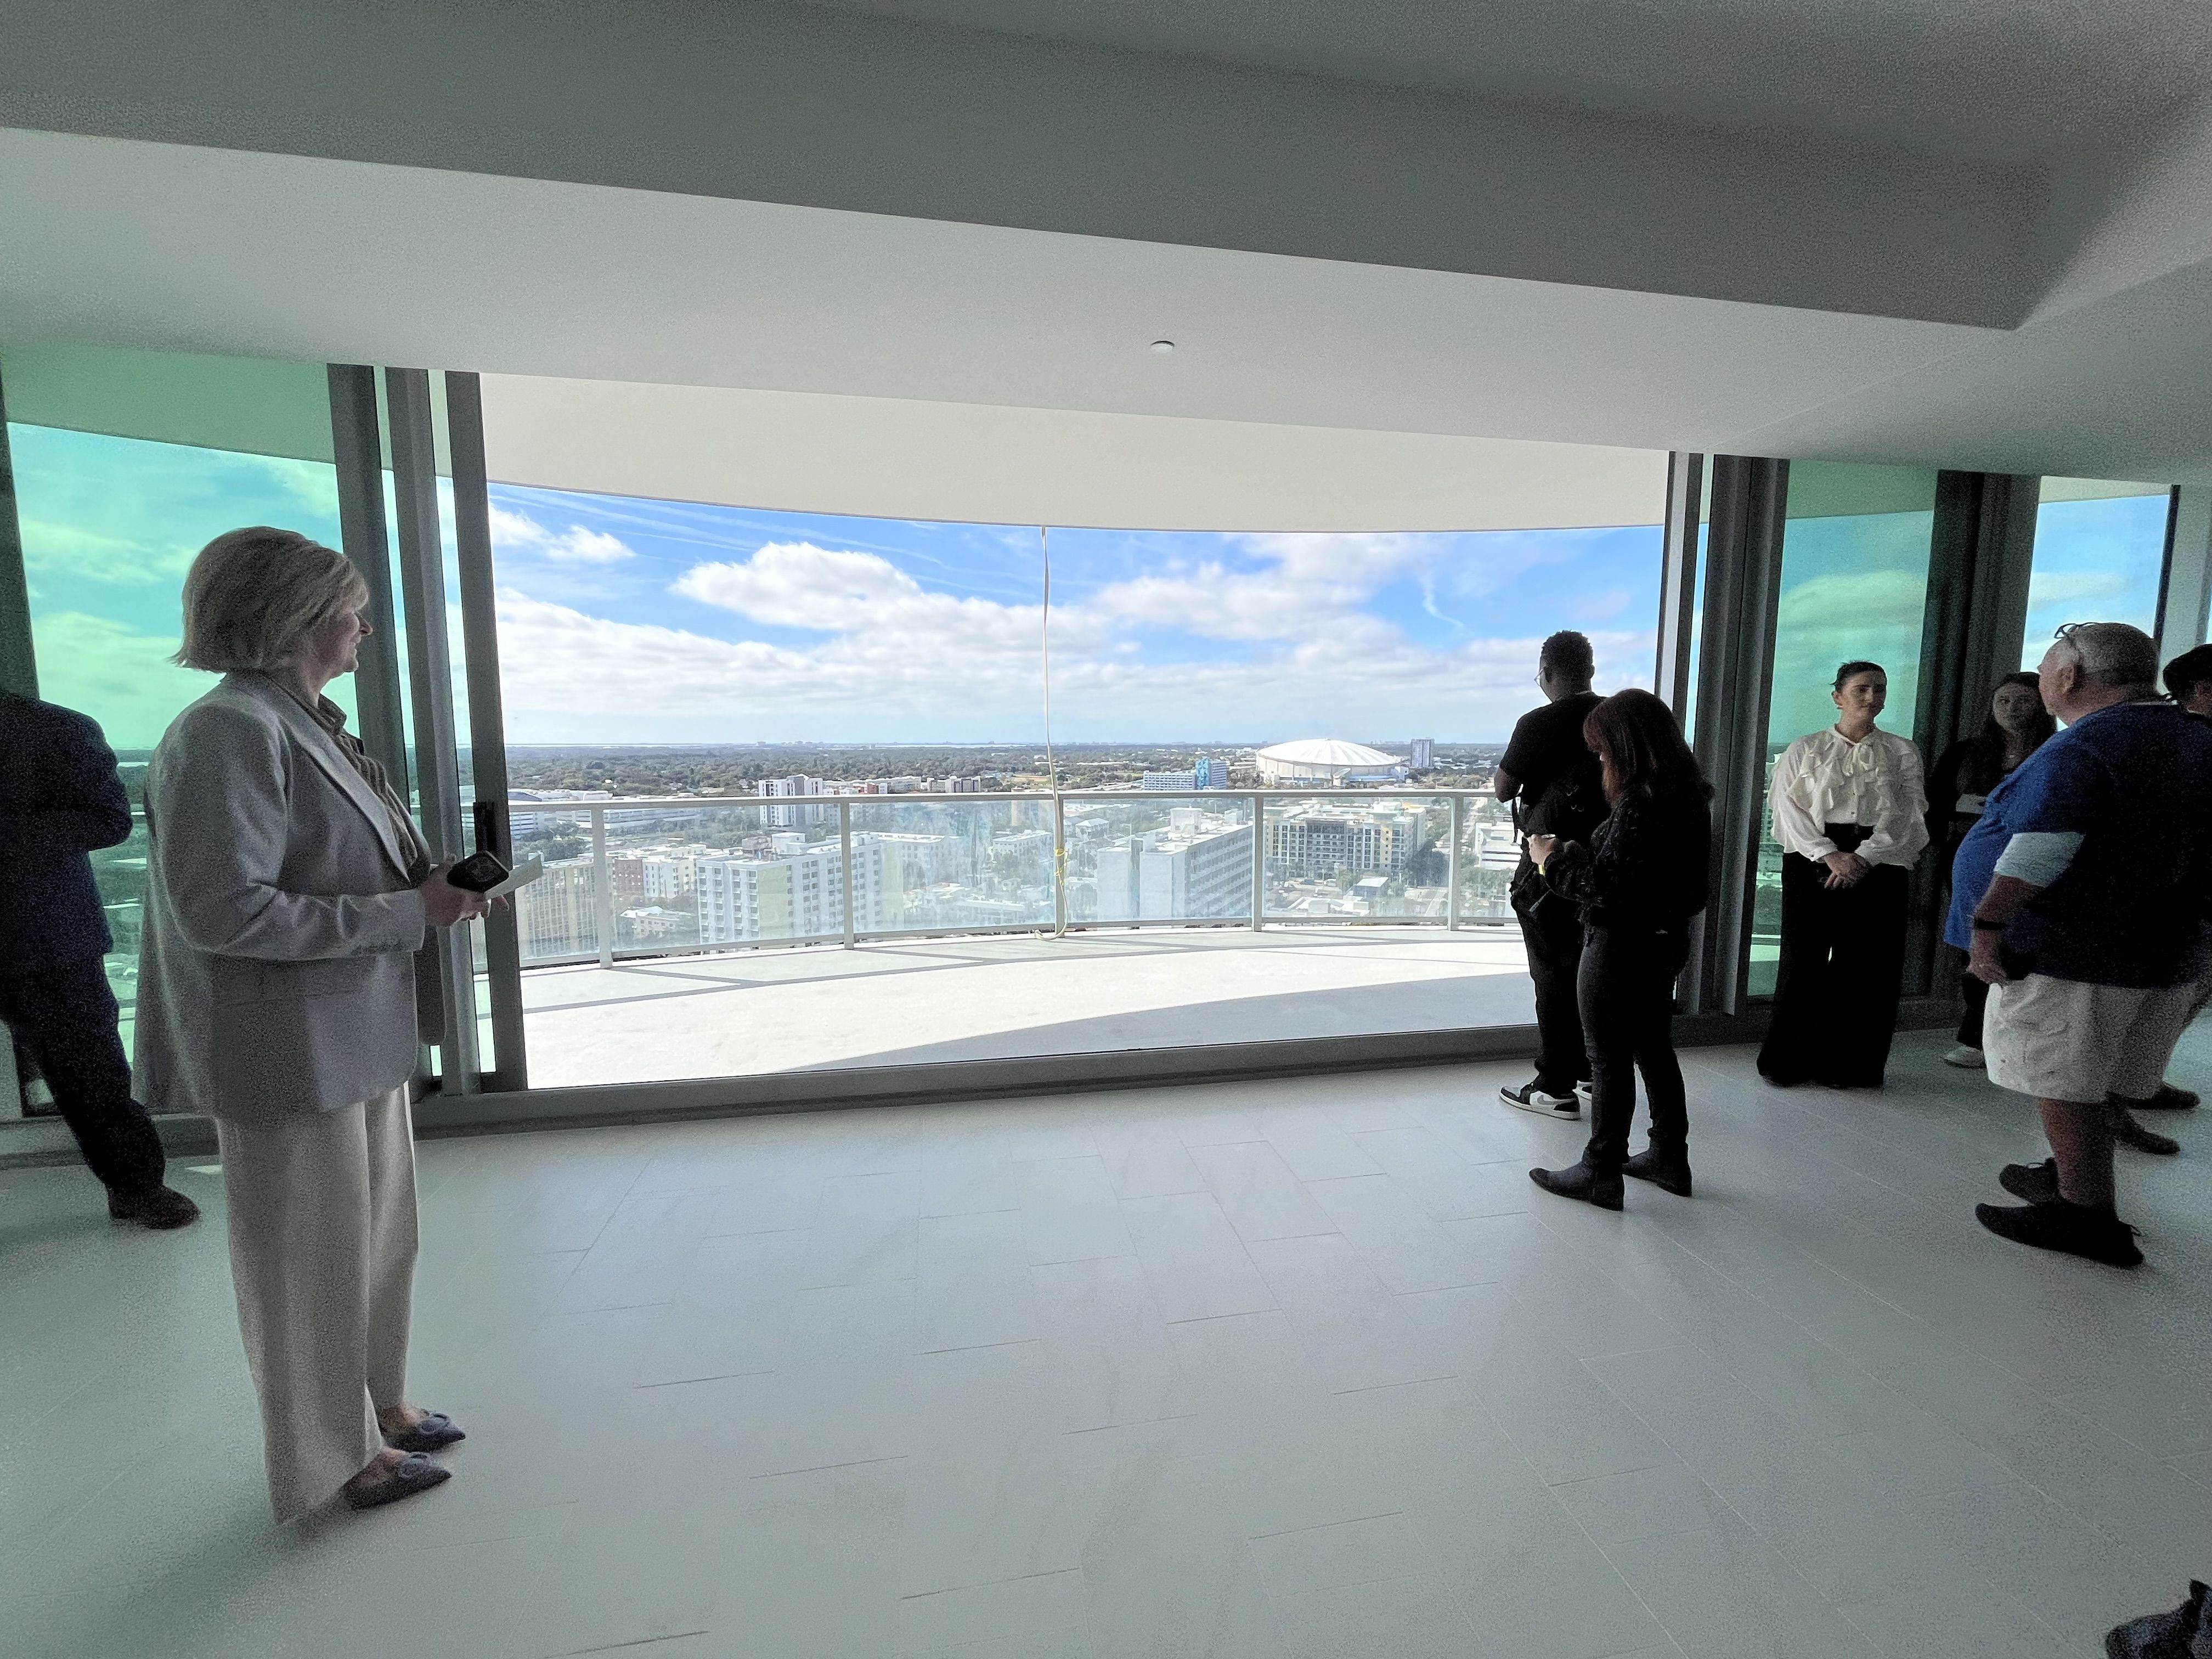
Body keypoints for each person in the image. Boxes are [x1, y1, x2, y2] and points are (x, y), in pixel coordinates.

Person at [136, 527, 490, 1518]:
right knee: (304, 1261)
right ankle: (334, 1458)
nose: (365, 626)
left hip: (352, 1029)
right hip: (287, 1044)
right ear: (293, 616)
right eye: (351, 607)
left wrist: (437, 893)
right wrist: (409, 910)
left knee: (374, 1238)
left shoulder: (307, 723)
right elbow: (225, 910)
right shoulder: (228, 732)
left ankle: (378, 1405)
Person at [1951, 623, 2212, 1267]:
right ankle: (2066, 1172)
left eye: (2045, 669)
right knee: (2097, 1072)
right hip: (2163, 948)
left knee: (2064, 1077)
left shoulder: (2091, 746)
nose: (2040, 682)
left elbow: (2043, 849)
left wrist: (1988, 928)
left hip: (2076, 950)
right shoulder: (2191, 736)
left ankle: (2085, 1212)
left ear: (2069, 677)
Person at [0, 689, 199, 1228]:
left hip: (45, 940)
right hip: (49, 938)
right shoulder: (53, 727)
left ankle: (139, 1187)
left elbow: (109, 819)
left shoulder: (55, 729)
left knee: (92, 1076)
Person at [1524, 690, 1712, 1209]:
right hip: (1665, 940)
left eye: (1604, 750)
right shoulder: (1689, 795)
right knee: (1653, 1047)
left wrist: (1548, 860)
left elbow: (1603, 889)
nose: (1601, 760)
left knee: (1607, 1058)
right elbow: (1659, 879)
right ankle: (1670, 1156)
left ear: (1626, 747)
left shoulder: (1640, 802)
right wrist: (1587, 852)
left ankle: (1600, 1169)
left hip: (1618, 946)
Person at [1757, 661, 1929, 1089]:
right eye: (1862, 689)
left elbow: (1911, 814)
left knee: (1869, 967)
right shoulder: (1805, 748)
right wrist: (1830, 855)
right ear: (1838, 697)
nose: (1873, 698)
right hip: (1812, 859)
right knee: (1803, 961)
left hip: (1881, 861)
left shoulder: (1902, 750)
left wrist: (1864, 857)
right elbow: (1786, 810)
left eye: (1880, 690)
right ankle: (1789, 1061)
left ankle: (1850, 1066)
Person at [1496, 630, 1606, 1118]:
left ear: (1545, 671)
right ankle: (1590, 1073)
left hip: (1549, 862)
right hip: (1608, 859)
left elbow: (1504, 788)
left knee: (1552, 974)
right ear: (1592, 671)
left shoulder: (1538, 722)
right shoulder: (1616, 716)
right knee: (1593, 969)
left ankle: (1554, 1084)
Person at [1925, 673, 2055, 1068]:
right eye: (2004, 701)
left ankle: (2024, 1036)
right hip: (1971, 859)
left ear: (2042, 705)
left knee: (2028, 944)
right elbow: (1934, 804)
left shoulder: (2056, 751)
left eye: (2023, 701)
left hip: (2036, 862)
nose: (2012, 709)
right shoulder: (1965, 753)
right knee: (1976, 941)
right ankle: (1976, 1035)